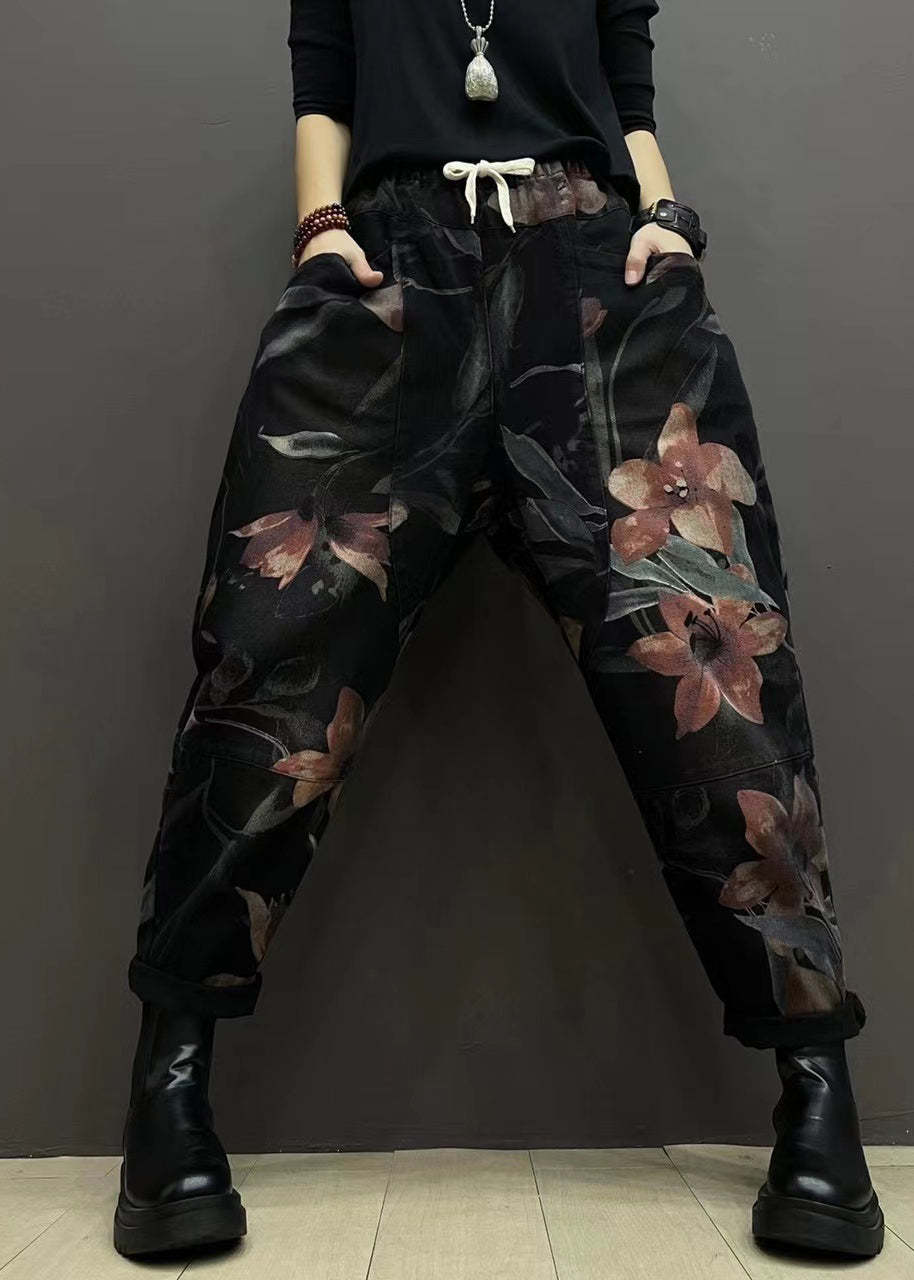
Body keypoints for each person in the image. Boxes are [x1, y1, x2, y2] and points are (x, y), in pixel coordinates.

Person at [112, 0, 883, 1261]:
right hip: (387, 278)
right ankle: (169, 1080)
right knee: (269, 658)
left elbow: (624, 92)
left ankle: (813, 1089)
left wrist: (665, 221)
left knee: (716, 657)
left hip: (595, 280)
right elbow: (324, 76)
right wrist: (320, 231)